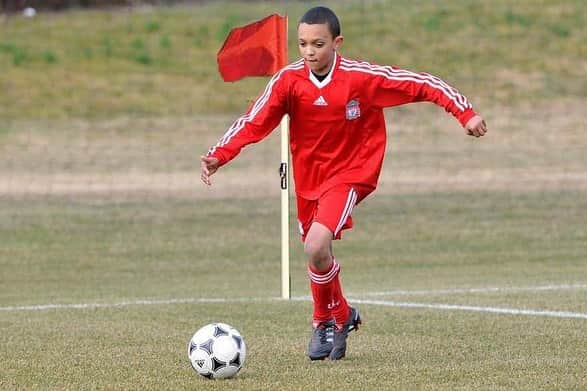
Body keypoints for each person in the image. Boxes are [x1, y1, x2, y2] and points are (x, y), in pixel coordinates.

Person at [201, 6, 487, 361]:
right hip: (309, 180)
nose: (309, 51)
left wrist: (465, 113)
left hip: (352, 173)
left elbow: (424, 84)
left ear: (336, 42)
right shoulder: (289, 80)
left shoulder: (361, 77)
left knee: (316, 246)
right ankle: (341, 315)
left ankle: (322, 320)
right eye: (303, 44)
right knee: (318, 254)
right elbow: (253, 120)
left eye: (318, 44)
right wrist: (220, 154)